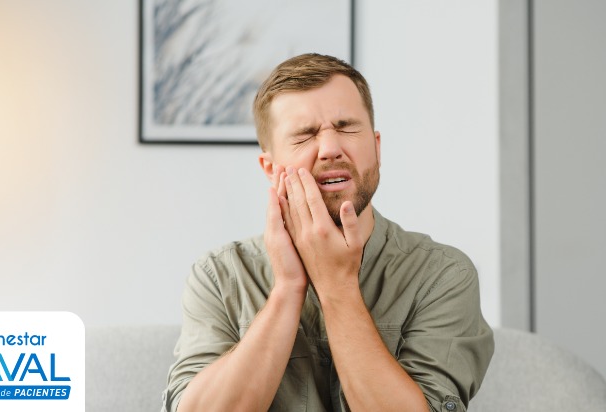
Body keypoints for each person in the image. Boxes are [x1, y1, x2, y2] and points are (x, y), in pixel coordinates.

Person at [162, 53, 494, 412]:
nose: (331, 149)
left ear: (377, 148)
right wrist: (288, 288)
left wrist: (337, 285)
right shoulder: (219, 276)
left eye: (346, 126)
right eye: (304, 135)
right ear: (270, 169)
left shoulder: (442, 275)